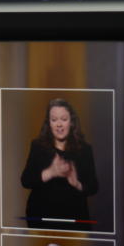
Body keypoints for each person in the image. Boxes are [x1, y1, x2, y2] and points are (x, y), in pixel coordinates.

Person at [20, 99, 98, 231]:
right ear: (48, 123)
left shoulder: (84, 149)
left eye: (64, 119)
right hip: (41, 219)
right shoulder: (38, 146)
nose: (59, 125)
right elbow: (26, 181)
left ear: (71, 122)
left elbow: (94, 187)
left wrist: (76, 183)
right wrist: (51, 172)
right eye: (54, 120)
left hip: (75, 220)